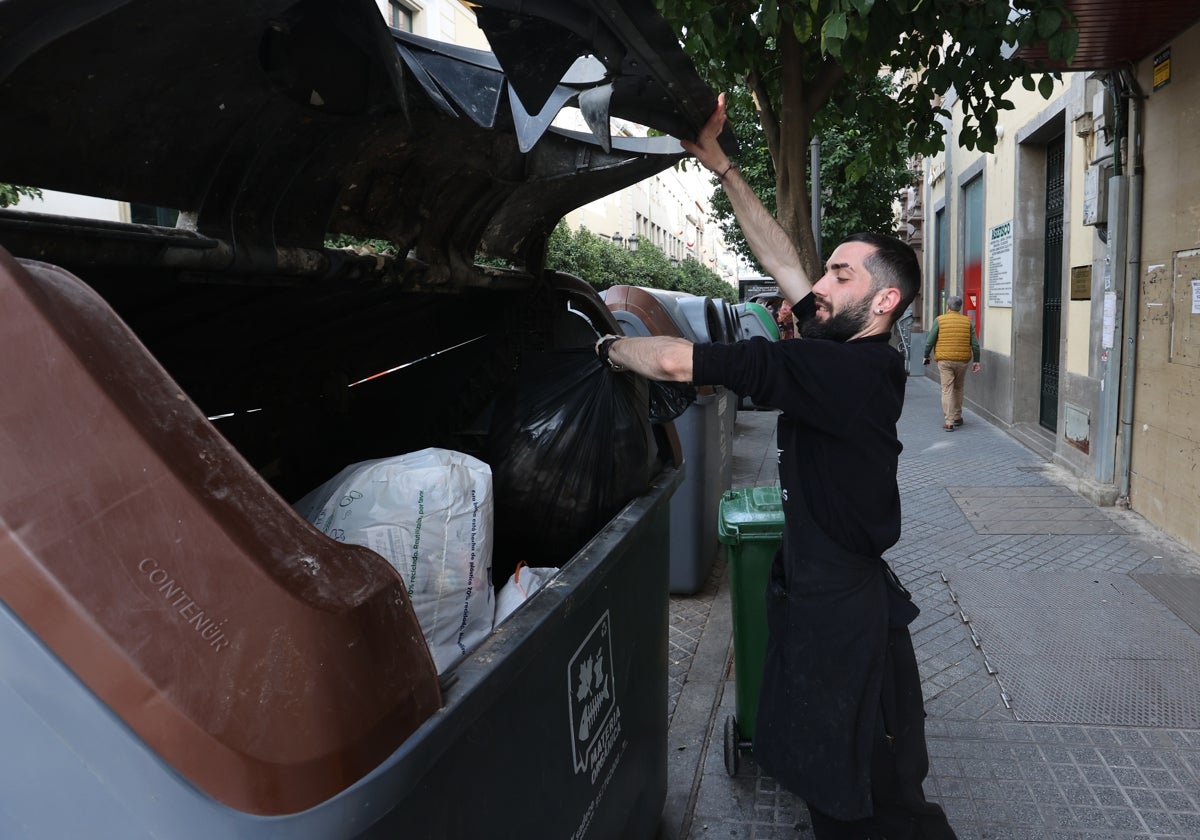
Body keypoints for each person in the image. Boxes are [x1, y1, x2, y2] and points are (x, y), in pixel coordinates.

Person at [595, 94, 957, 839]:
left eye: (841, 277)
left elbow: (669, 358)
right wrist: (722, 164)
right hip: (824, 591)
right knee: (844, 778)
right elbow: (782, 258)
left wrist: (598, 348)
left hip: (844, 617)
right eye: (826, 275)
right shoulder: (850, 350)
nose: (817, 287)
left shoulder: (841, 374)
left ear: (884, 300)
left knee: (863, 793)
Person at [922, 296, 981, 431]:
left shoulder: (939, 320)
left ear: (947, 307)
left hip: (945, 360)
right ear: (959, 308)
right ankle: (957, 417)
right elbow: (975, 345)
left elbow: (930, 341)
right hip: (962, 361)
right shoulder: (967, 322)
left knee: (947, 389)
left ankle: (949, 421)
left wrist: (926, 356)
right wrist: (976, 361)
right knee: (958, 388)